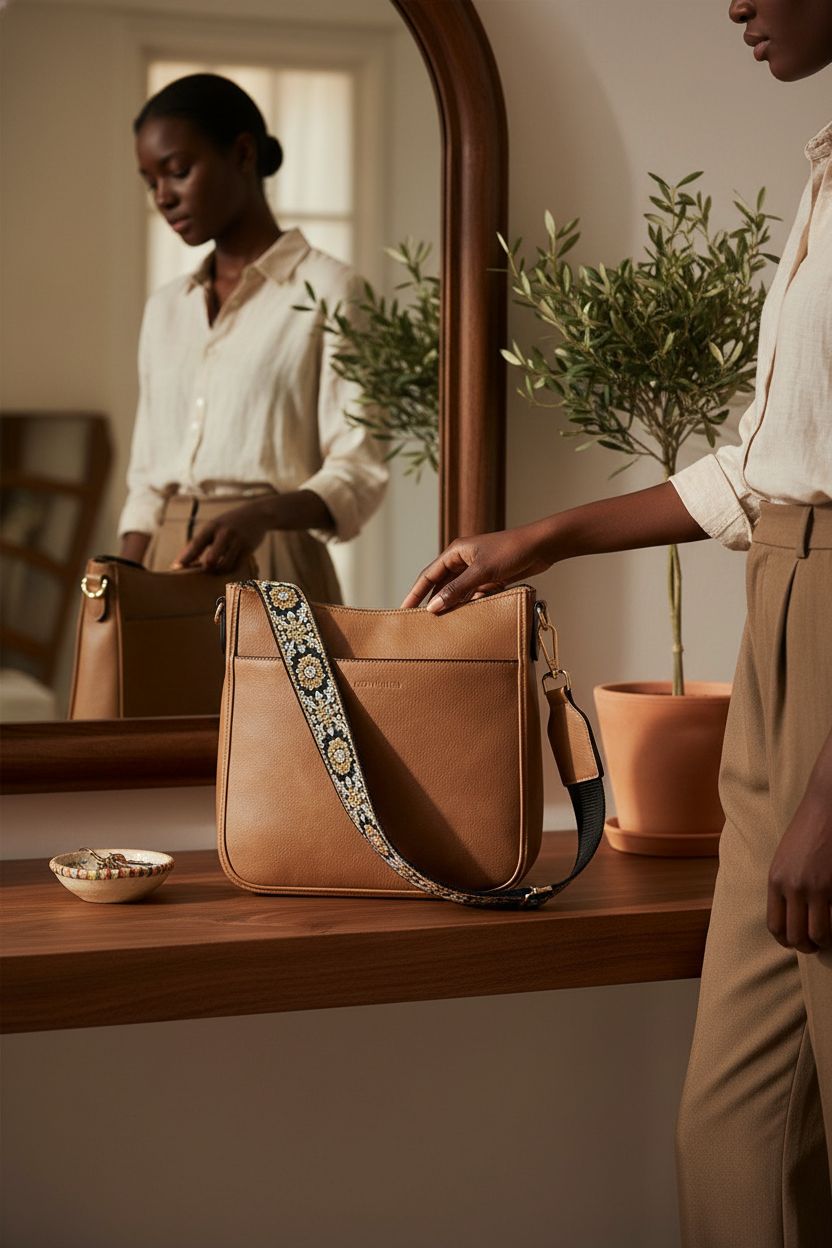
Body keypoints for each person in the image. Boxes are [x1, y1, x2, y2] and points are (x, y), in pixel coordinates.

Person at [402, 1, 832, 1242]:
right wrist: (539, 537)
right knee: (734, 1133)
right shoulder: (821, 166)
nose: (734, 6)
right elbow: (767, 467)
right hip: (778, 632)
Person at [119, 73, 388, 601]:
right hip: (162, 561)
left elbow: (358, 470)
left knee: (283, 690)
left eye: (177, 172)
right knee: (161, 689)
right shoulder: (165, 309)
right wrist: (119, 580)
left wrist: (260, 516)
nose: (163, 197)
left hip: (275, 554)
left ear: (242, 153)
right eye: (150, 182)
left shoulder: (333, 289)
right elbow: (147, 477)